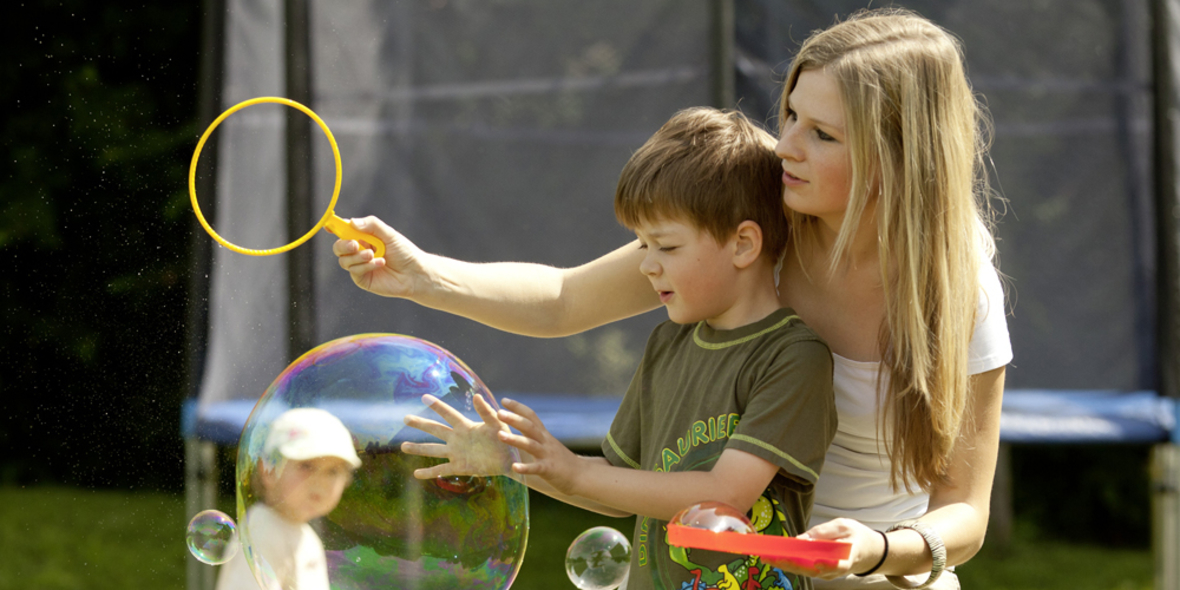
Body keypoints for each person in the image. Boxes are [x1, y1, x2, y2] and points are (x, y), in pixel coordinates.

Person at [333, 8, 1011, 589]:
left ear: (896, 156)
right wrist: (424, 275)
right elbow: (565, 299)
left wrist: (877, 551)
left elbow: (964, 513)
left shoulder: (958, 287)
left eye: (823, 135)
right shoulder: (759, 220)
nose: (788, 148)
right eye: (792, 115)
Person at [400, 106, 836, 590]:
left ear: (743, 245)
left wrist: (571, 471)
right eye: (641, 246)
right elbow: (619, 486)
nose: (647, 266)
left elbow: (724, 493)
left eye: (665, 246)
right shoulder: (670, 343)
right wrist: (516, 463)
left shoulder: (793, 355)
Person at [216, 408, 362, 590]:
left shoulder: (307, 537)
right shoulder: (262, 530)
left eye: (333, 471)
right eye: (306, 466)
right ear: (268, 471)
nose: (320, 481)